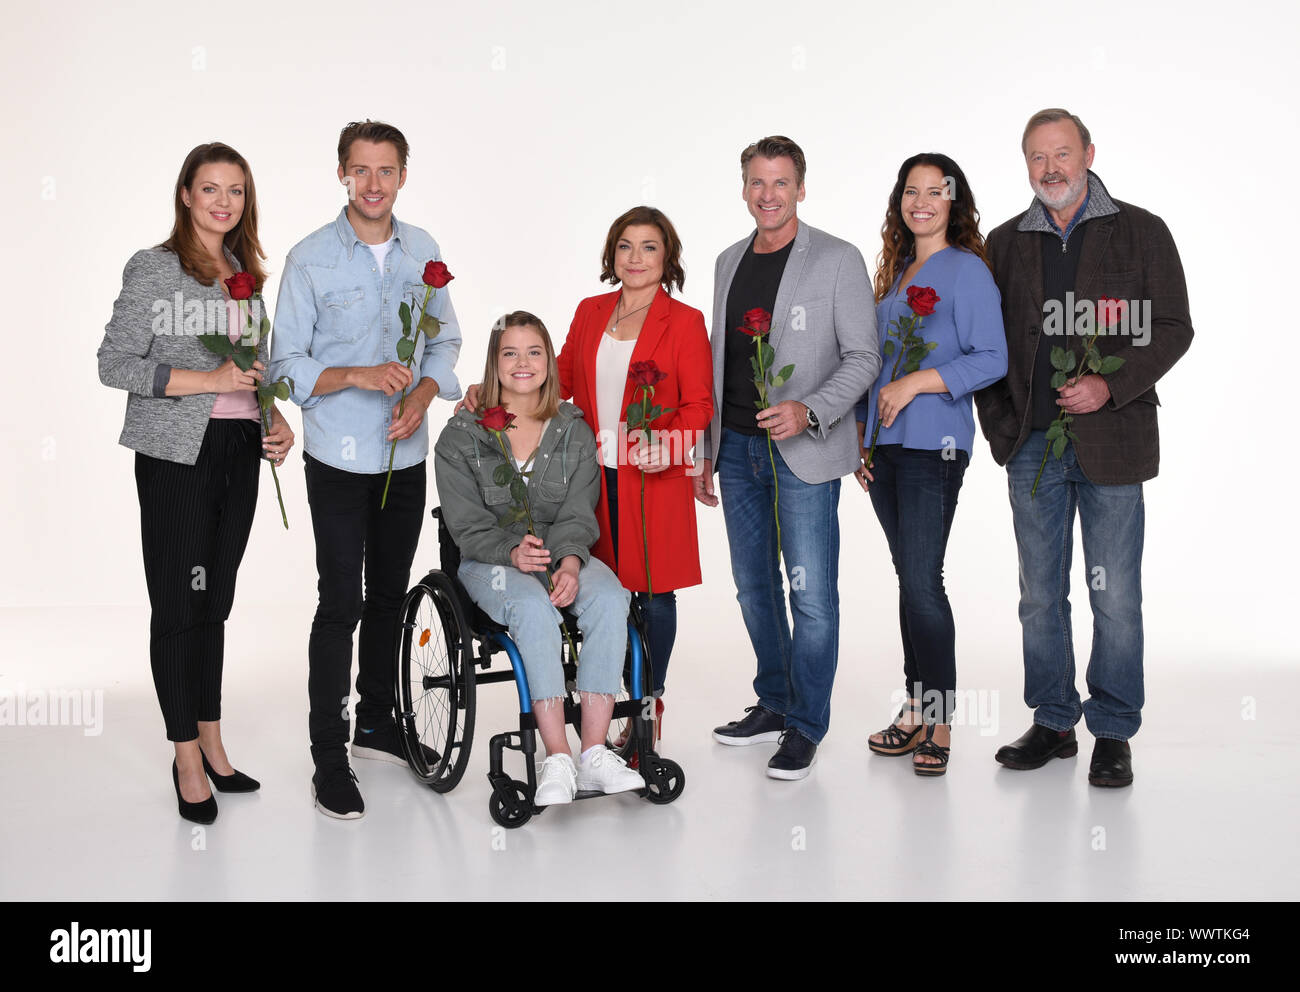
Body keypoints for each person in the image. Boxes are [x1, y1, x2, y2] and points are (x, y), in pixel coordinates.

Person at [975, 109, 1193, 787]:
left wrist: (1112, 385)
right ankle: (1053, 720)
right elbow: (984, 346)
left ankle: (1113, 731)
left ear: (1089, 153)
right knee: (1040, 595)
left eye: (1062, 153)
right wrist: (1002, 426)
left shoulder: (1141, 231)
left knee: (1115, 596)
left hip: (1114, 444)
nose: (1051, 169)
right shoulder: (1004, 244)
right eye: (1037, 158)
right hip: (1033, 449)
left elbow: (1174, 327)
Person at [269, 120, 462, 819]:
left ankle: (378, 722)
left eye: (386, 170)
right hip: (339, 458)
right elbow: (286, 366)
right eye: (361, 170)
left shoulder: (425, 252)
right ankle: (330, 756)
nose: (373, 183)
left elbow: (447, 344)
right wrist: (357, 374)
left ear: (403, 175)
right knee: (340, 602)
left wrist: (419, 392)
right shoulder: (310, 258)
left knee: (389, 595)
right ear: (343, 175)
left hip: (404, 456)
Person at [460, 206, 713, 741]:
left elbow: (699, 405)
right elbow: (562, 378)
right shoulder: (592, 310)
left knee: (654, 595)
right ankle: (599, 700)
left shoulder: (685, 322)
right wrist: (495, 388)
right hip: (590, 473)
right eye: (625, 246)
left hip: (653, 478)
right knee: (602, 587)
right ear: (611, 255)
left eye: (649, 246)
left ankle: (647, 705)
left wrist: (664, 448)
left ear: (666, 256)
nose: (636, 258)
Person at [98, 141, 295, 824]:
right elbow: (114, 363)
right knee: (180, 605)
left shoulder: (245, 272)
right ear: (186, 194)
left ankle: (213, 742)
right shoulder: (154, 269)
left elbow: (257, 366)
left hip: (240, 449)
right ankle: (184, 754)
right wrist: (206, 382)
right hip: (177, 454)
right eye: (209, 188)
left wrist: (275, 419)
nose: (222, 202)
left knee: (216, 601)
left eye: (235, 191)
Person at [697, 135, 879, 780]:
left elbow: (864, 357)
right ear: (743, 188)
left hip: (804, 452)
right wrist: (705, 448)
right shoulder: (725, 260)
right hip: (738, 450)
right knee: (753, 588)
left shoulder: (836, 259)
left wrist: (811, 409)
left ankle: (806, 725)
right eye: (756, 182)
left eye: (780, 183)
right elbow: (717, 361)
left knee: (812, 597)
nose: (767, 195)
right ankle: (774, 702)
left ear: (801, 187)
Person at [434, 312, 644, 805]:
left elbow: (577, 510)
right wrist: (510, 551)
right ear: (494, 363)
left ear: (549, 361)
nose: (523, 363)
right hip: (492, 562)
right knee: (531, 608)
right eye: (510, 353)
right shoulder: (462, 436)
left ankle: (593, 753)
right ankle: (557, 757)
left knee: (611, 597)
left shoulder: (571, 427)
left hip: (560, 550)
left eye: (534, 352)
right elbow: (465, 525)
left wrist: (570, 561)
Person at [854, 153, 1008, 776]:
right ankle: (917, 709)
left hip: (934, 448)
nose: (921, 201)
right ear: (900, 202)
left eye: (934, 191)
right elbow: (872, 368)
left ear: (954, 201)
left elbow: (991, 357)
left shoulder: (967, 270)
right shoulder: (894, 276)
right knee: (909, 580)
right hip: (885, 451)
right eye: (910, 191)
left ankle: (939, 722)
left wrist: (917, 382)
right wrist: (861, 442)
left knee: (923, 582)